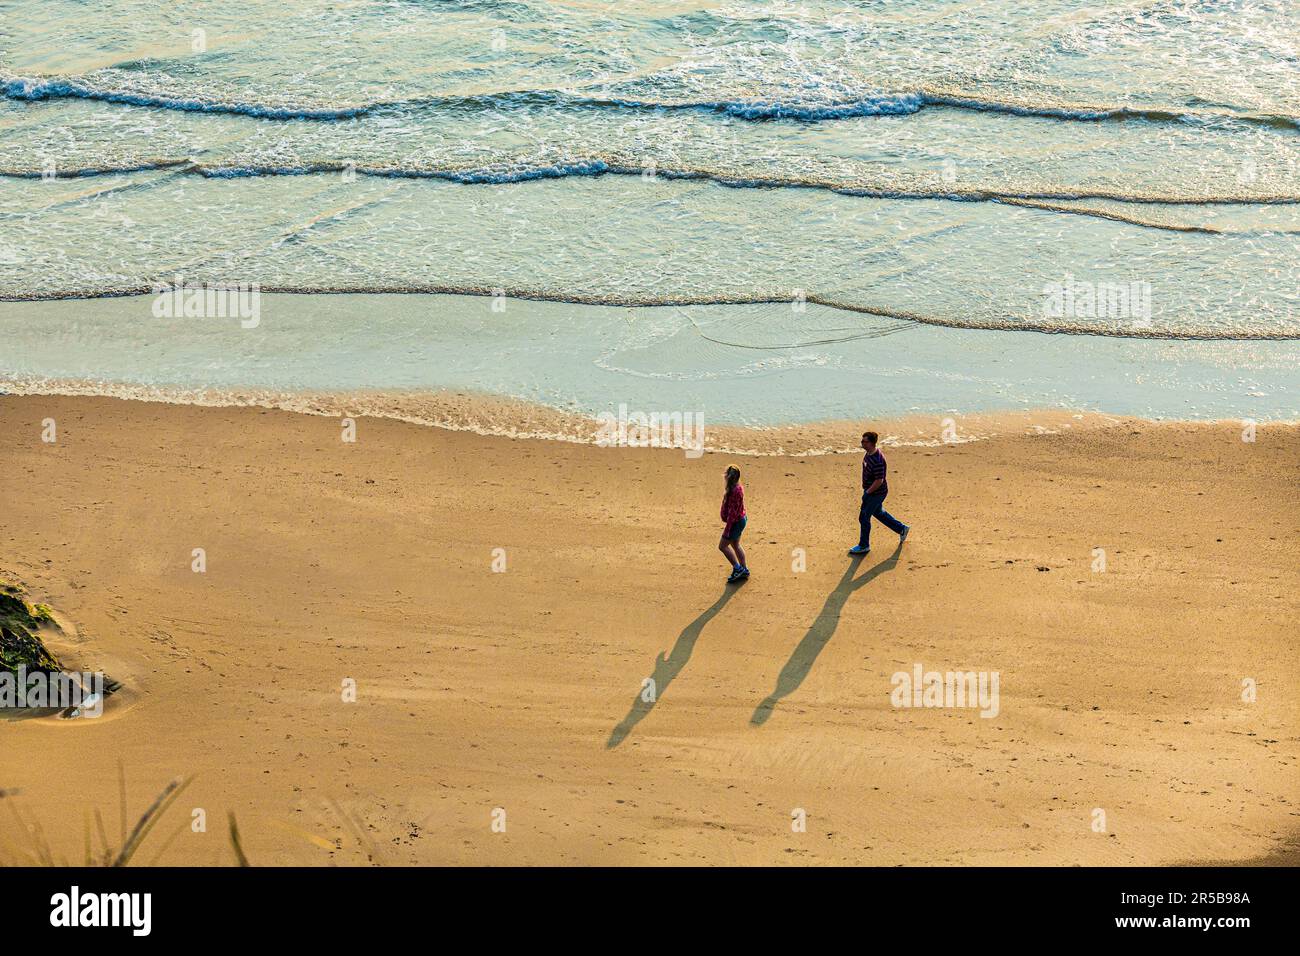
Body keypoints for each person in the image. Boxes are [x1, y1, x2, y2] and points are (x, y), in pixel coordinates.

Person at [849, 431, 909, 555]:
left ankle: (864, 545)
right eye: (862, 441)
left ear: (871, 443)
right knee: (879, 513)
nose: (862, 443)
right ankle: (901, 529)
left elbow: (879, 480)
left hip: (876, 493)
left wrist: (868, 492)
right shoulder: (868, 454)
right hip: (871, 491)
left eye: (864, 441)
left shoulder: (878, 460)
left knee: (864, 517)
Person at [719, 465, 749, 582]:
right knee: (735, 545)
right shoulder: (738, 488)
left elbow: (732, 514)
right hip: (741, 519)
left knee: (722, 546)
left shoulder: (733, 492)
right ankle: (744, 569)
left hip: (736, 523)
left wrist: (727, 530)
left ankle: (737, 568)